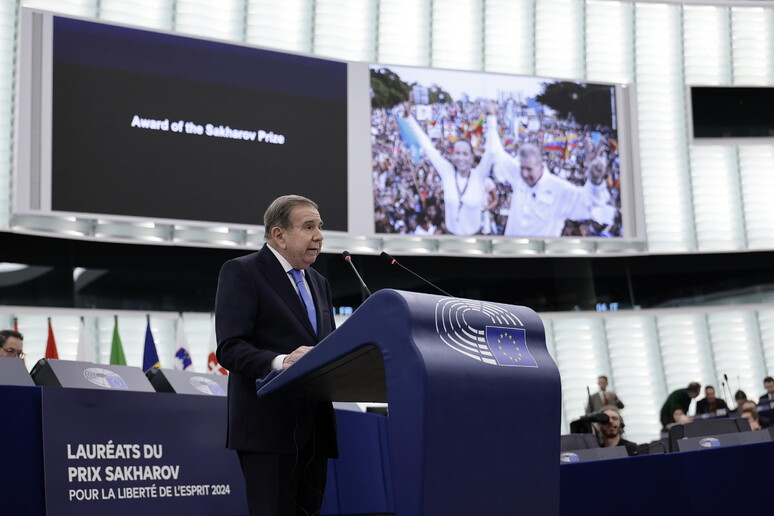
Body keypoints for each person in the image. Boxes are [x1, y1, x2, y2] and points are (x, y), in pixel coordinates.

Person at [215, 195, 337, 516]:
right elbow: (230, 347)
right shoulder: (242, 272)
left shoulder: (319, 282)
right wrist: (281, 362)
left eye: (320, 227)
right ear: (278, 235)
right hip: (268, 427)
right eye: (308, 227)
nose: (319, 236)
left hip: (314, 429)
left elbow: (324, 346)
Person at [484, 105, 609, 237]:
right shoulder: (518, 175)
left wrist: (595, 180)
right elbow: (497, 154)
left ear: (540, 165)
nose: (525, 174)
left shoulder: (560, 189)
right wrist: (491, 118)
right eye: (522, 169)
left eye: (529, 169)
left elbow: (589, 206)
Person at [401, 98, 496, 235]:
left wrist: (491, 117)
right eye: (457, 153)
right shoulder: (447, 172)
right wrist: (408, 118)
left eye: (465, 154)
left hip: (475, 238)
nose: (460, 158)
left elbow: (491, 152)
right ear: (452, 155)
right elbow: (428, 147)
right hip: (450, 238)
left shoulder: (479, 175)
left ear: (471, 157)